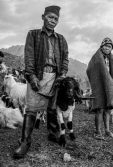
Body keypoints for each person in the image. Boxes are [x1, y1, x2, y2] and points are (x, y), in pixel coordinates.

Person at [13, 5, 69, 159]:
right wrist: (31, 77)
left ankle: (52, 134)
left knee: (52, 108)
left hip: (55, 77)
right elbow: (29, 57)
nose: (53, 21)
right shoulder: (33, 35)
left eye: (56, 19)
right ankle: (25, 142)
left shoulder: (61, 39)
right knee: (31, 109)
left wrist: (63, 74)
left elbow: (65, 59)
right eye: (50, 17)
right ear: (43, 17)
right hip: (38, 74)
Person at [86, 37, 113, 140]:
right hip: (99, 86)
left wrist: (111, 82)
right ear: (101, 46)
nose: (107, 48)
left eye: (110, 46)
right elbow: (89, 69)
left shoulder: (111, 58)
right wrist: (96, 81)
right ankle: (98, 132)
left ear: (112, 48)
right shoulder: (96, 58)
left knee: (107, 109)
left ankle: (107, 130)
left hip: (109, 86)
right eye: (106, 46)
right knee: (100, 109)